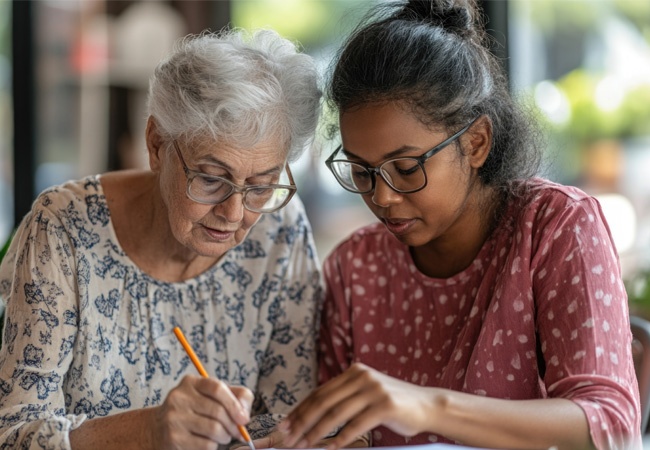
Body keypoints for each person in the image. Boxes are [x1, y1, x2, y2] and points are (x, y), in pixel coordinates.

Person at [278, 1, 641, 449]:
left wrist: (428, 407)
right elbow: (336, 433)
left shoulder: (556, 227)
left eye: (407, 168)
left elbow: (610, 426)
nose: (383, 196)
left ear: (476, 142)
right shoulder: (356, 268)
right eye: (362, 171)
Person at [0, 28, 323, 449]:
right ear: (156, 145)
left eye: (261, 185)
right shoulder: (63, 229)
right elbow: (13, 435)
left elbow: (294, 420)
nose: (234, 213)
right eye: (210, 179)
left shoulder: (281, 229)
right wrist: (147, 431)